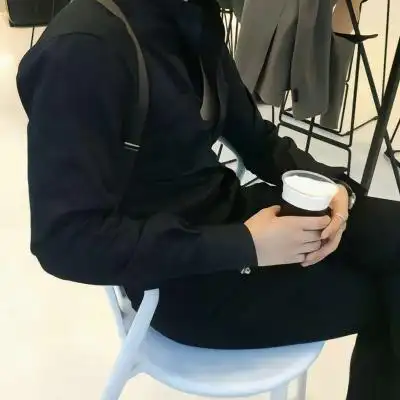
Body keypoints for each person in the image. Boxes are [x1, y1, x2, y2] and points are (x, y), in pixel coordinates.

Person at [17, 0, 400, 398]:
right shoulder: (82, 50)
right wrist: (245, 245)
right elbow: (66, 241)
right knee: (388, 294)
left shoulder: (193, 12)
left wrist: (335, 187)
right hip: (179, 285)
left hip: (231, 219)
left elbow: (255, 137)